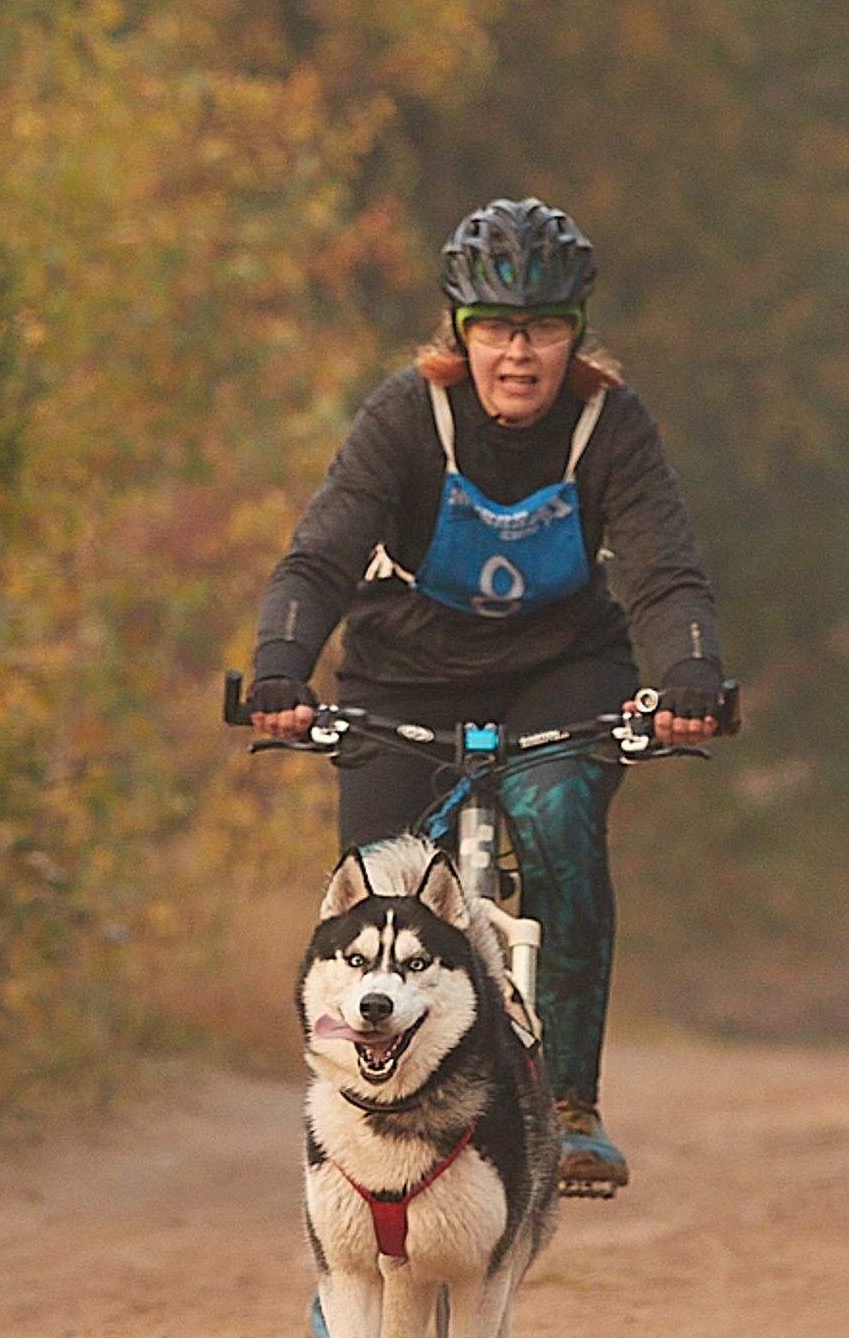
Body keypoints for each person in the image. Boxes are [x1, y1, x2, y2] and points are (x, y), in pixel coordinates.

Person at [248, 195, 725, 1198]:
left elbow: (663, 569)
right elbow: (320, 553)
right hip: (401, 675)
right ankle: (352, 1199)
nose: (521, 353)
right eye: (499, 329)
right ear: (459, 335)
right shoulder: (405, 418)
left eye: (545, 328)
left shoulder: (609, 427)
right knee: (379, 898)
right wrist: (281, 665)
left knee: (556, 819)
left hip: (562, 675)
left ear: (576, 336)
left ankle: (569, 1103)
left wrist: (685, 673)